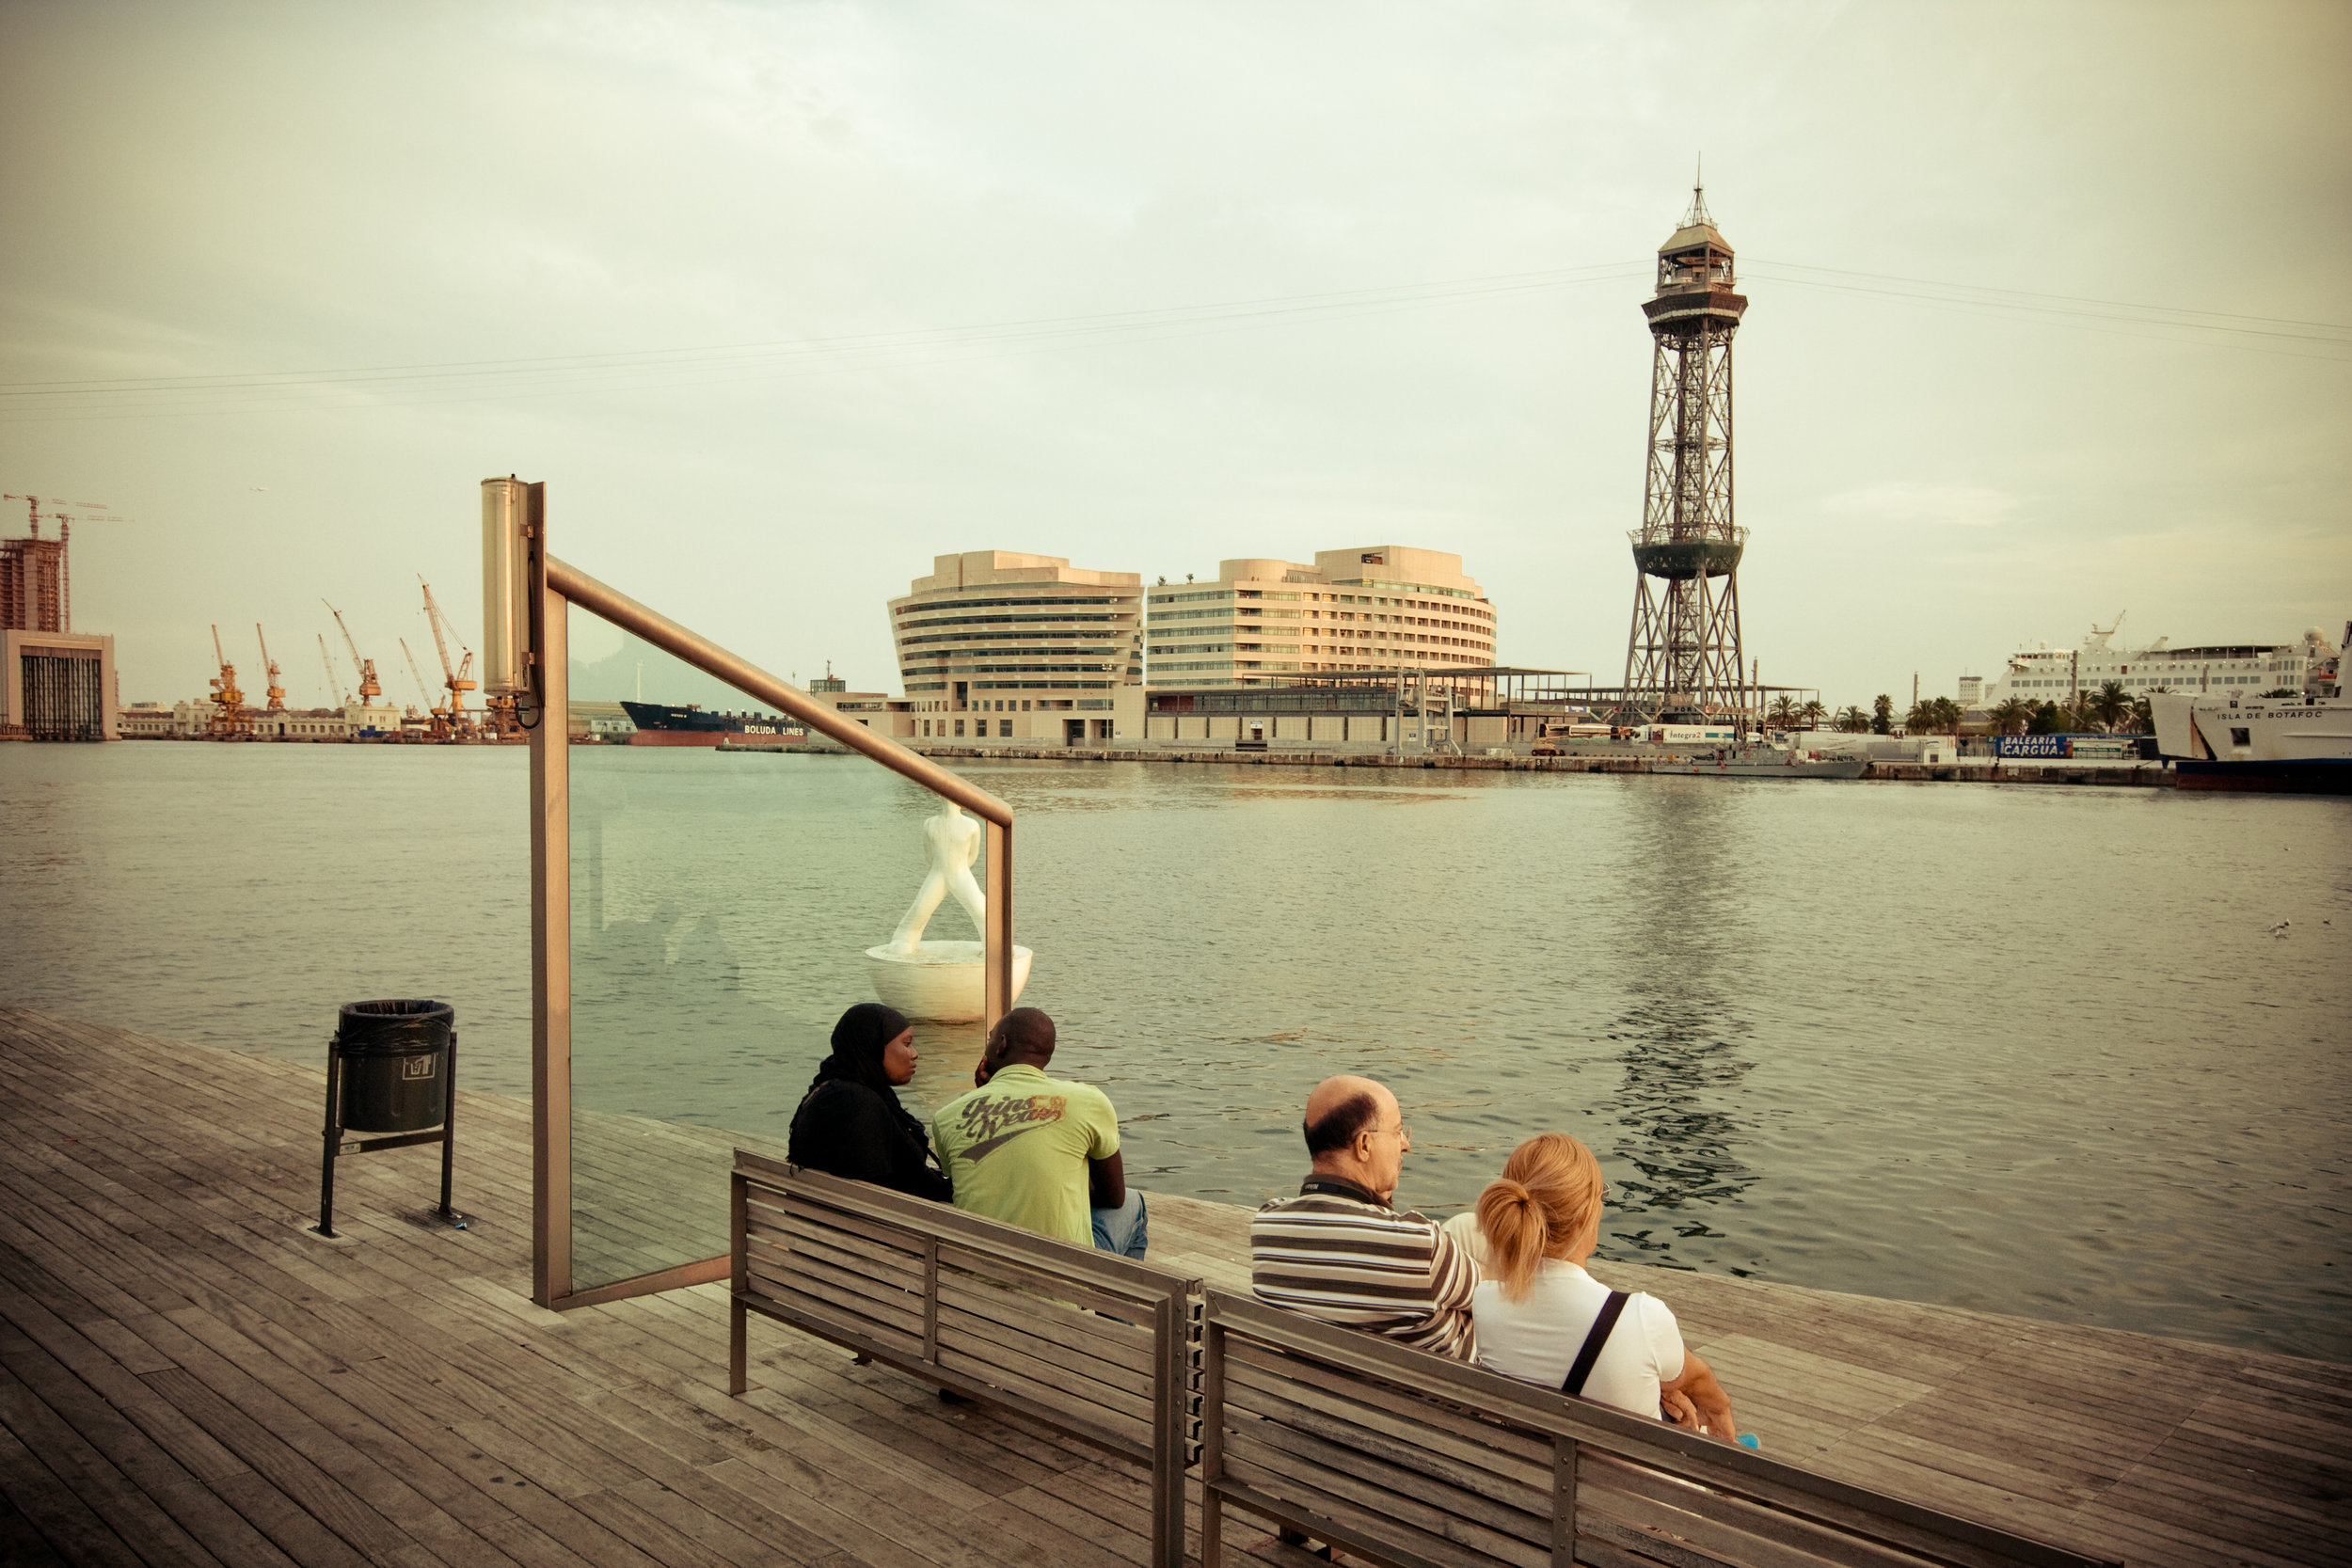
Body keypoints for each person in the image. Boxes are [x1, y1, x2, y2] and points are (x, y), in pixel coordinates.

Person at [1445, 1133, 1741, 1442]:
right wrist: (1720, 1409)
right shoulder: (1641, 1318)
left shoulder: (1486, 1304)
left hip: (1531, 1480)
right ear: (1588, 1214)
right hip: (1638, 1489)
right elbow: (1698, 1380)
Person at [1249, 1075, 1479, 1361]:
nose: (1406, 1144)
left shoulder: (1267, 1226)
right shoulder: (1418, 1245)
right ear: (1365, 1145)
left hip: (1317, 1395)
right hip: (1442, 1401)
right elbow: (1501, 1300)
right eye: (1397, 1132)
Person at [930, 1006, 1146, 1257]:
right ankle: (1116, 1295)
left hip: (979, 1274)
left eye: (989, 1039)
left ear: (1001, 1044)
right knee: (1133, 1203)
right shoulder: (1088, 1101)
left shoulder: (947, 1116)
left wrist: (982, 1096)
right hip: (1063, 1280)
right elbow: (1114, 1197)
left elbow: (974, 1178)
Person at [787, 1003, 952, 1201]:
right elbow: (879, 1194)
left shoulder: (831, 1090)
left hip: (818, 1222)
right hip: (863, 1227)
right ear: (873, 1046)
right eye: (907, 1044)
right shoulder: (858, 1106)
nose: (915, 1053)